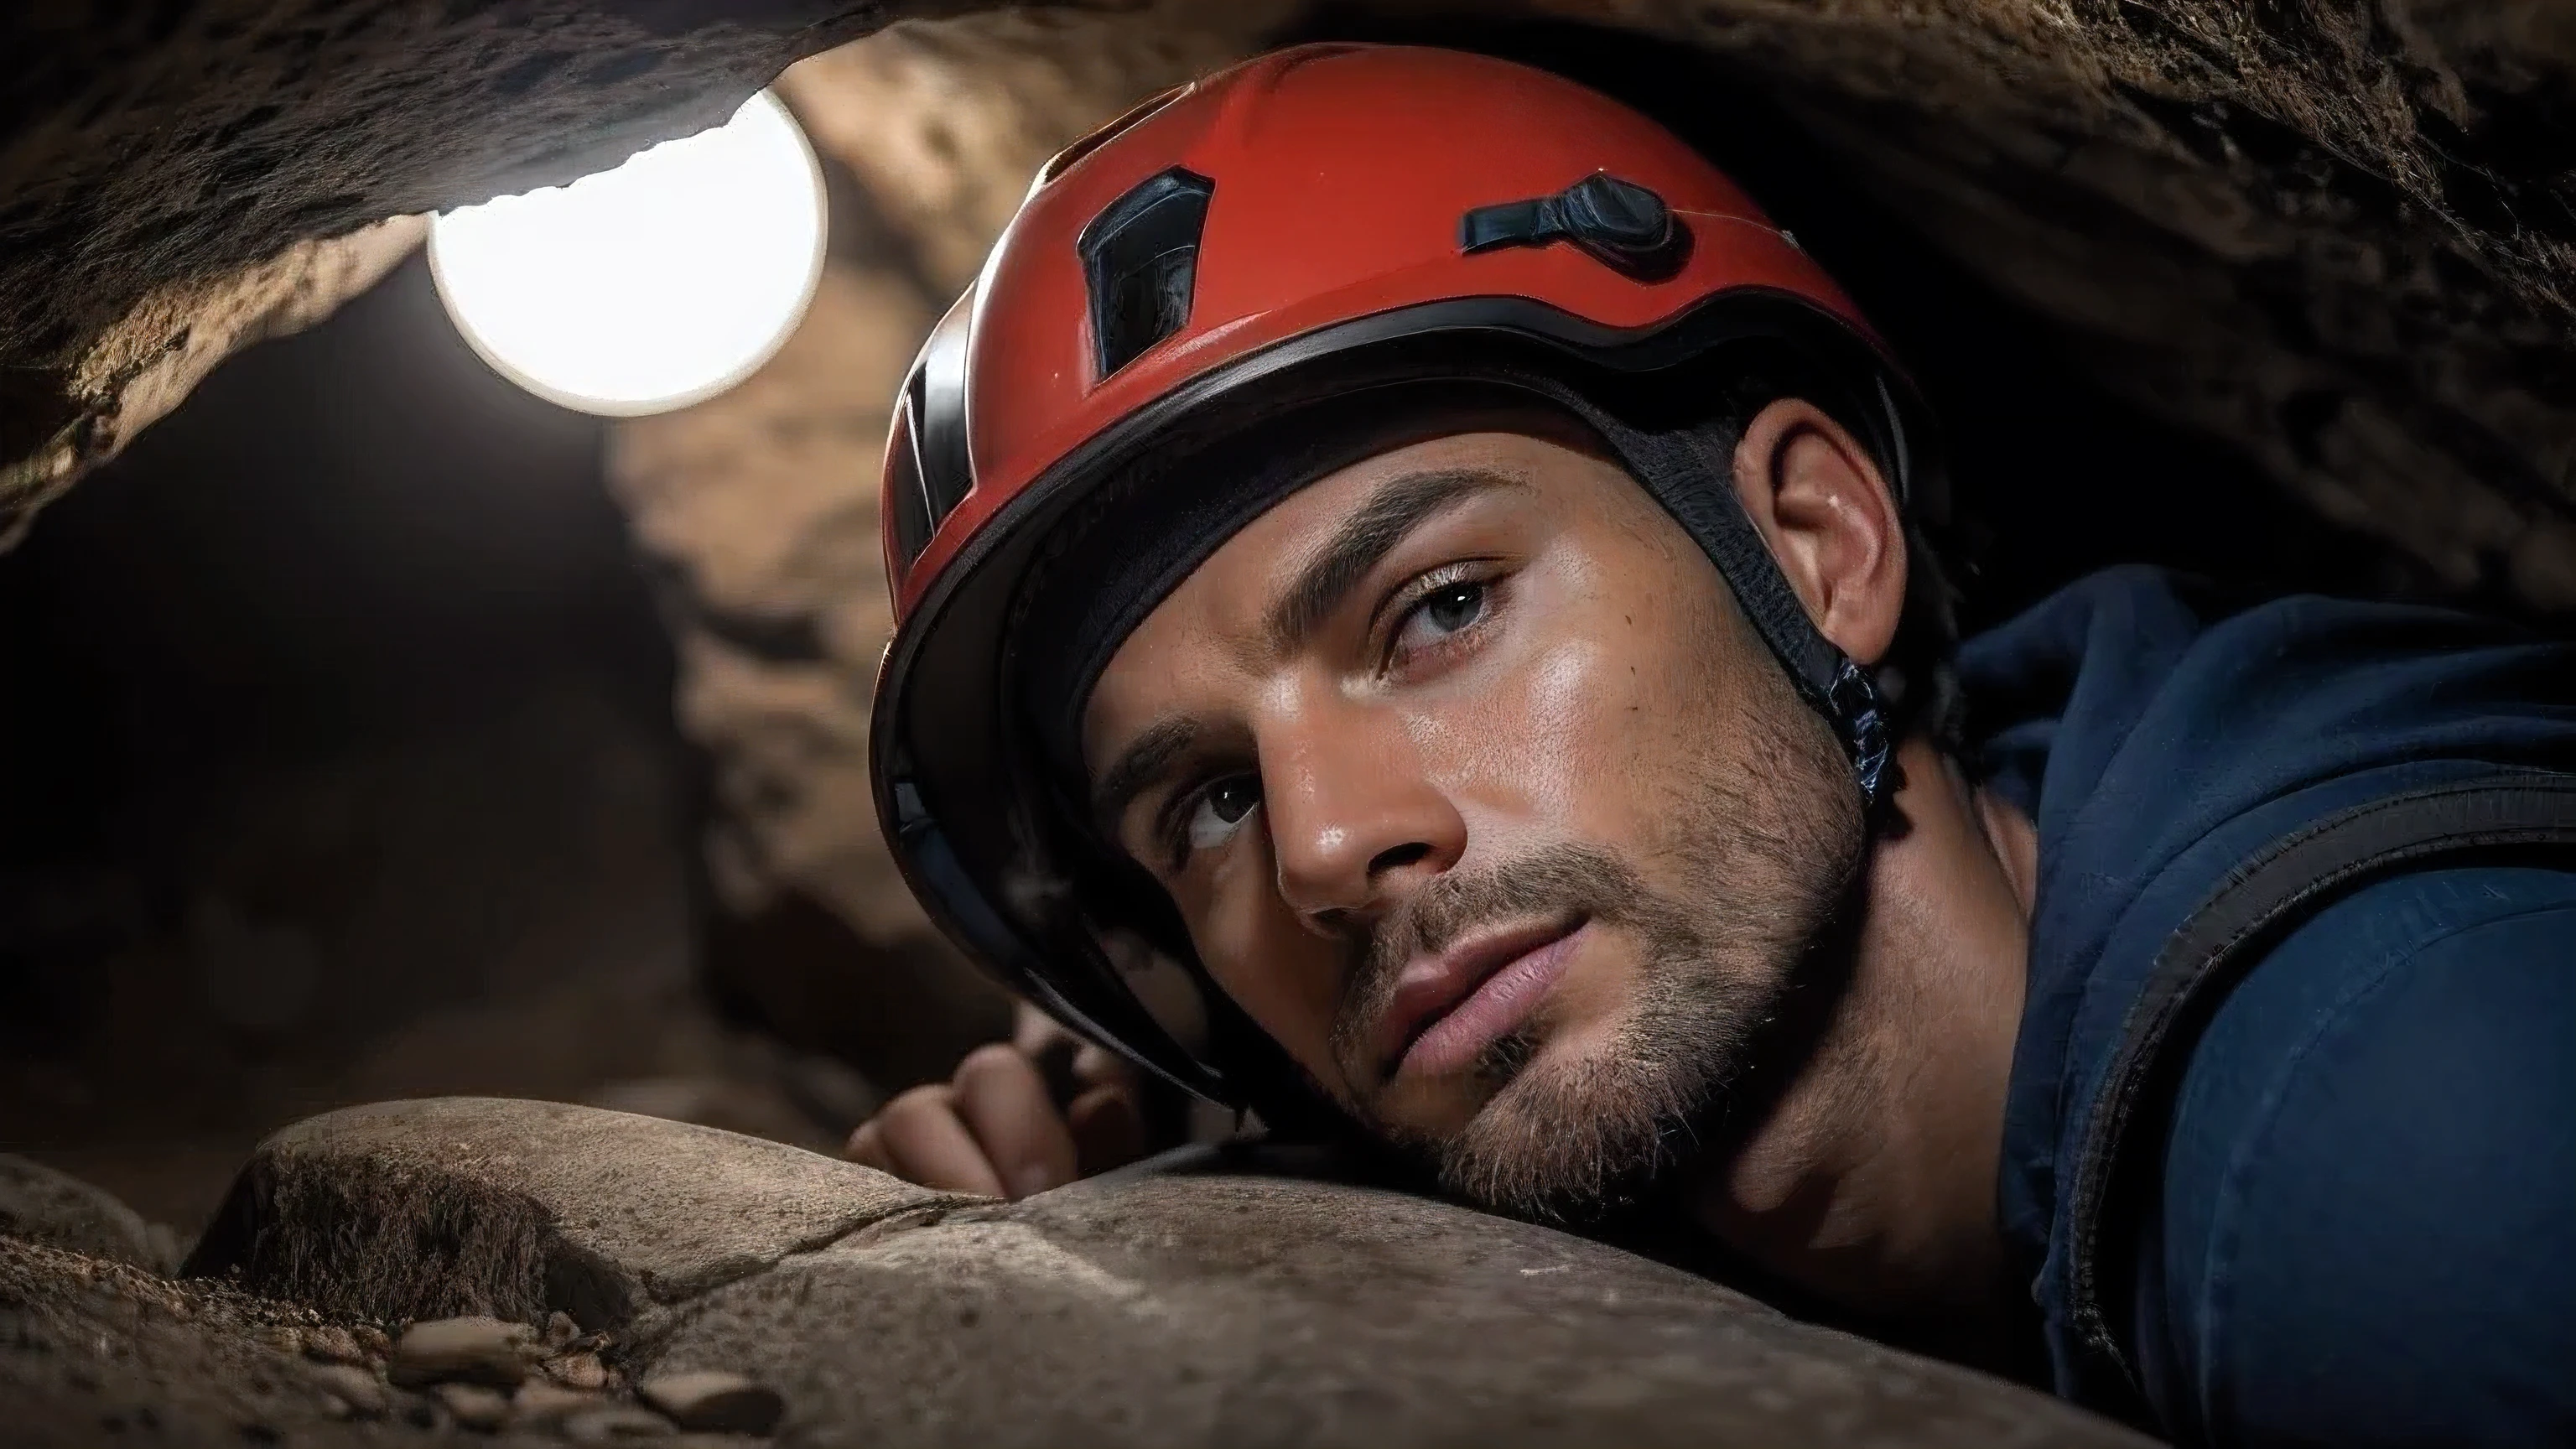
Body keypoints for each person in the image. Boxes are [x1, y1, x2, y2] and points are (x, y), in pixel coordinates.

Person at [844, 42, 2576, 1447]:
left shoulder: (2414, 1164)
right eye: (1212, 799)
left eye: (1440, 612)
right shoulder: (1626, 981)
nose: (1320, 850)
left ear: (1822, 548)